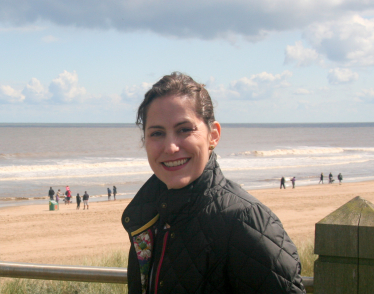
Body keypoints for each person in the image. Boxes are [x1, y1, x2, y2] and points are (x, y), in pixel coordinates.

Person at [122, 72, 305, 294]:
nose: (170, 147)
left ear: (213, 135)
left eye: (184, 130)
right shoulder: (149, 216)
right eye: (157, 133)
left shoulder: (247, 221)